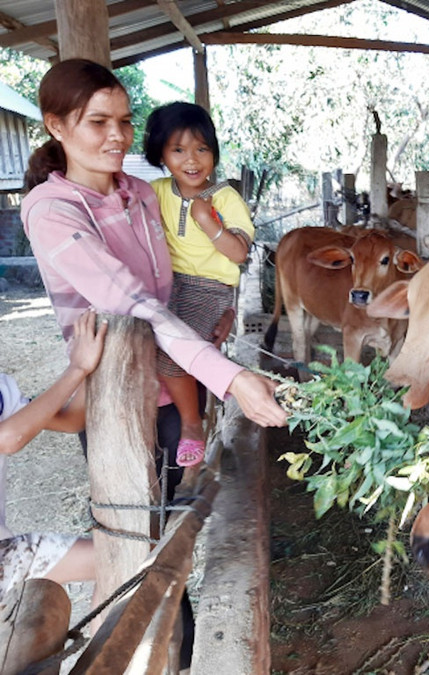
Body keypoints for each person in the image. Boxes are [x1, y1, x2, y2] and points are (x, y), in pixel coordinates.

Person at [21, 58, 287, 489]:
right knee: (133, 527)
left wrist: (217, 316)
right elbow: (133, 303)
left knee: (178, 511)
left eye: (125, 122)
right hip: (117, 389)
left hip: (181, 368)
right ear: (56, 125)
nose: (117, 136)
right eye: (98, 122)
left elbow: (180, 275)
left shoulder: (142, 193)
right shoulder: (52, 209)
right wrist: (232, 376)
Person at [142, 102, 255, 467]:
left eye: (201, 149)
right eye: (178, 150)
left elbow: (238, 253)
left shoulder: (224, 198)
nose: (192, 160)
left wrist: (209, 223)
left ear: (214, 152)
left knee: (172, 356)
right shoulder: (156, 191)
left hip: (207, 288)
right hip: (166, 285)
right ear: (160, 153)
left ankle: (192, 423)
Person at [0, 310, 106, 599]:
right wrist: (76, 369)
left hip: (4, 556)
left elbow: (71, 419)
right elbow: (8, 439)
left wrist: (88, 366)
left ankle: (103, 645)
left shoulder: (1, 389)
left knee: (119, 562)